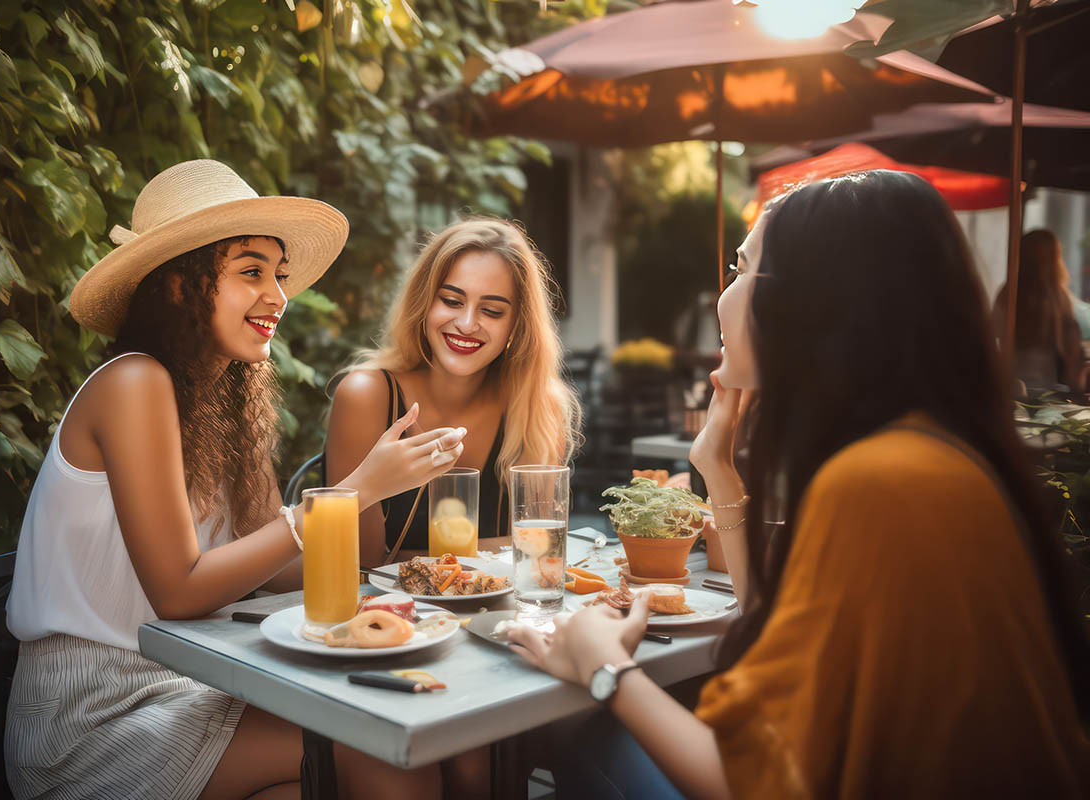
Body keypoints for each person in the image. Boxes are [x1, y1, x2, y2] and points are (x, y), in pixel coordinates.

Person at [508, 171, 1090, 798]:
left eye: (742, 268)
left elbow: (753, 779)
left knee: (569, 728)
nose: (720, 298)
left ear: (820, 303)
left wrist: (604, 667)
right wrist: (719, 471)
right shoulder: (934, 455)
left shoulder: (879, 482)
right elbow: (782, 631)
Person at [4, 160, 467, 800]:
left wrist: (396, 534)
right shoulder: (133, 384)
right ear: (175, 287)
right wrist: (354, 490)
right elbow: (179, 592)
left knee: (399, 736)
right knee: (383, 749)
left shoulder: (223, 407)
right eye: (250, 272)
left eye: (278, 275)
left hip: (199, 680)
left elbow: (272, 568)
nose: (278, 295)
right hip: (96, 715)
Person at [326, 217, 580, 566]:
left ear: (516, 326)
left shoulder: (538, 407)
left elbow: (541, 552)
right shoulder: (366, 396)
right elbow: (359, 563)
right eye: (451, 300)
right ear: (424, 303)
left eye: (491, 310)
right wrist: (500, 549)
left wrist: (405, 558)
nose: (466, 323)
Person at [992, 228, 1086, 394]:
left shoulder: (1008, 293)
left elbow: (992, 337)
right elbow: (1072, 352)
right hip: (1047, 390)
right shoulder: (1058, 298)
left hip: (1010, 386)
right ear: (1054, 259)